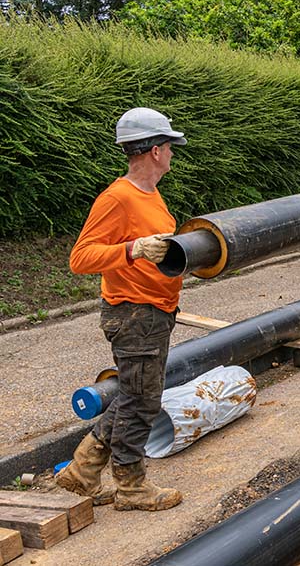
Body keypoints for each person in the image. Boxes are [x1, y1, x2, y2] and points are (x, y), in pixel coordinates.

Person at [57, 107, 186, 512]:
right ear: (154, 150)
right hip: (134, 314)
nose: (172, 153)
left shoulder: (151, 196)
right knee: (142, 402)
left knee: (134, 396)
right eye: (169, 146)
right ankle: (131, 486)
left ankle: (83, 470)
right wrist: (132, 249)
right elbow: (81, 258)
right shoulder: (118, 197)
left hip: (154, 312)